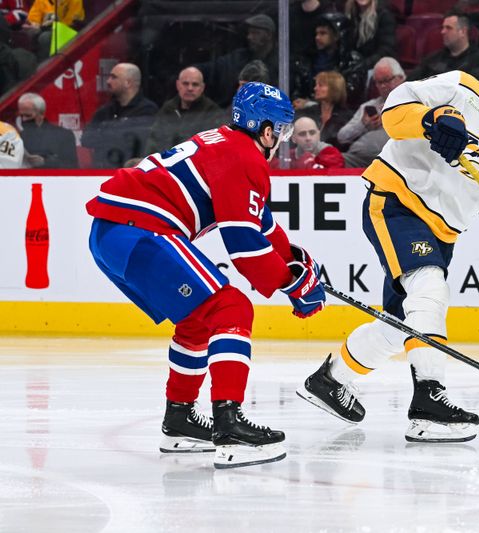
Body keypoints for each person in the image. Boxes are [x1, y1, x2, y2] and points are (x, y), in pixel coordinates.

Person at [297, 62, 479, 443]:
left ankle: (330, 379)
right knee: (430, 291)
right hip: (398, 203)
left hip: (443, 233)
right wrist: (432, 119)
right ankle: (428, 401)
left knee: (401, 323)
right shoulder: (462, 88)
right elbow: (396, 109)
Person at [85, 82, 327, 469]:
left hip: (113, 233)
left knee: (198, 320)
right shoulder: (245, 158)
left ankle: (179, 421)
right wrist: (291, 283)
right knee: (232, 308)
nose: (280, 140)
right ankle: (229, 426)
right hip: (139, 229)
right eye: (280, 131)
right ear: (266, 131)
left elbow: (262, 226)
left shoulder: (226, 143)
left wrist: (297, 262)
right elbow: (244, 245)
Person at [81, 62, 158, 168]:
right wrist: (119, 129)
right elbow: (86, 139)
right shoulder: (105, 111)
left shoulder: (148, 110)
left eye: (114, 77)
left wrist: (105, 130)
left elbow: (133, 140)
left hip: (132, 173)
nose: (108, 81)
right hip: (101, 172)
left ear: (128, 83)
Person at [198, 14, 279, 107]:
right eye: (249, 33)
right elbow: (214, 67)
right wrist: (194, 71)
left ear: (268, 35)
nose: (249, 37)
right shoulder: (239, 57)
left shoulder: (282, 63)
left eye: (255, 33)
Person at [337, 56, 405, 167]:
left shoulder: (413, 102)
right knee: (335, 159)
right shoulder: (369, 106)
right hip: (361, 158)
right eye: (378, 82)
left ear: (401, 78)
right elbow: (342, 137)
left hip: (395, 158)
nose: (383, 86)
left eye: (386, 80)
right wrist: (363, 125)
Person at [291, 12, 367, 106]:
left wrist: (312, 104)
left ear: (337, 36)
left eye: (323, 33)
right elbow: (297, 91)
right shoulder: (307, 60)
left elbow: (347, 97)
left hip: (342, 115)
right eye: (316, 34)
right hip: (306, 112)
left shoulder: (353, 61)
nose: (317, 38)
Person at [145, 66, 222, 154]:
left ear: (202, 88)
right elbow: (154, 139)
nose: (190, 88)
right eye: (185, 83)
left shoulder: (212, 112)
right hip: (164, 161)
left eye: (195, 84)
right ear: (178, 85)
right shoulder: (168, 108)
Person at [408, 11, 479, 89]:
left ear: (463, 32)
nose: (443, 32)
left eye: (448, 28)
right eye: (443, 27)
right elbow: (410, 82)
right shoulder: (433, 59)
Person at [16, 92, 78, 168]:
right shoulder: (19, 137)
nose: (24, 119)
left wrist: (45, 161)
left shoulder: (63, 135)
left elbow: (72, 167)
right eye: (21, 116)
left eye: (28, 115)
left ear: (41, 114)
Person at [298, 70, 354, 150]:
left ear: (334, 89)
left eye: (320, 85)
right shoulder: (308, 112)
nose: (315, 88)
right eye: (316, 85)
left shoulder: (347, 117)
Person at [344, 0, 396, 68]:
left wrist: (364, 65)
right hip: (355, 64)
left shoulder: (384, 15)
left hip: (376, 66)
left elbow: (386, 50)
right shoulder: (350, 14)